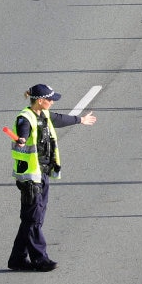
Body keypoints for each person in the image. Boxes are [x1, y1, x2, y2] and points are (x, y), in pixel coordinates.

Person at [8, 83, 96, 272]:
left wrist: (80, 120)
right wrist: (21, 139)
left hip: (43, 172)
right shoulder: (26, 118)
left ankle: (17, 259)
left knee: (31, 217)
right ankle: (40, 259)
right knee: (34, 218)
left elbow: (59, 119)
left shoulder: (43, 114)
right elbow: (22, 131)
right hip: (31, 177)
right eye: (49, 99)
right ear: (40, 101)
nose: (52, 102)